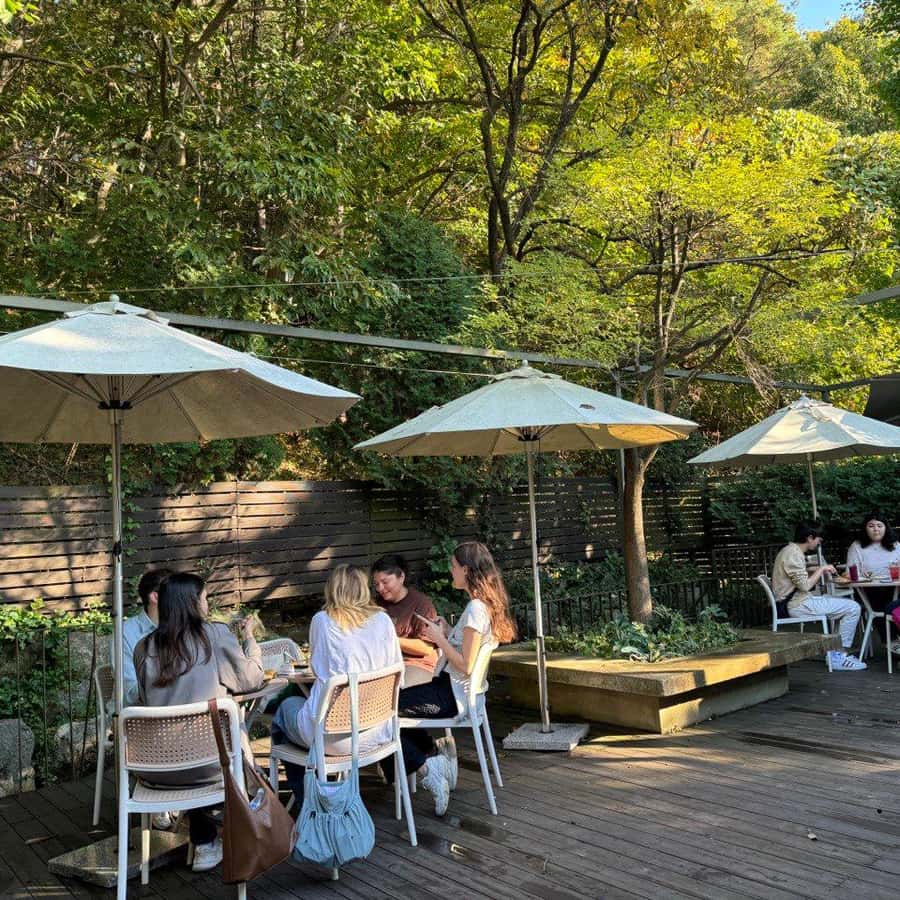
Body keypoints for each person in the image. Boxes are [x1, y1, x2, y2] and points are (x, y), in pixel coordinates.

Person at [133, 572, 264, 872]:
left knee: (190, 742)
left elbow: (145, 698)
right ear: (191, 603)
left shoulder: (143, 648)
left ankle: (205, 841)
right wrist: (250, 640)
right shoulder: (213, 636)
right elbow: (251, 679)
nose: (208, 605)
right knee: (219, 741)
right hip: (208, 766)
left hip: (156, 770)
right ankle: (238, 830)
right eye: (205, 598)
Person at [380, 541, 517, 816]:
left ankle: (430, 768)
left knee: (381, 714)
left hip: (451, 696)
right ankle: (434, 756)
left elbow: (466, 665)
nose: (450, 571)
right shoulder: (480, 606)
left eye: (454, 566)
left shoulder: (476, 608)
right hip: (455, 692)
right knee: (388, 709)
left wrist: (439, 639)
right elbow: (468, 653)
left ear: (466, 570)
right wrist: (448, 630)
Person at [271, 565, 403, 809]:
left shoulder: (323, 621)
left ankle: (309, 806)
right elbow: (398, 673)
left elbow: (319, 669)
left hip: (335, 739)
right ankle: (320, 798)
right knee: (304, 707)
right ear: (363, 589)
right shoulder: (383, 620)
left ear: (332, 589)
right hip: (379, 731)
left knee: (284, 709)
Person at [772, 522, 865, 671]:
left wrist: (813, 569)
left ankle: (835, 652)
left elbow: (795, 576)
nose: (818, 543)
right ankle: (838, 656)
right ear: (810, 538)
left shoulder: (790, 550)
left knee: (844, 605)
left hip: (799, 601)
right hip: (797, 605)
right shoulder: (793, 554)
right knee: (853, 608)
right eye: (818, 540)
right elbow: (805, 586)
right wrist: (821, 569)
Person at [371, 554, 439, 687]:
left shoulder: (422, 604)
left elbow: (426, 648)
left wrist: (391, 640)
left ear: (401, 576)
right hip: (384, 665)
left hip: (416, 664)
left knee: (395, 690)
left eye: (385, 582)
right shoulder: (376, 604)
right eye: (376, 584)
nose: (380, 589)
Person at [115, 568, 173, 707]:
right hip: (140, 714)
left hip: (179, 710)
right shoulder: (125, 633)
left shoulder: (184, 628)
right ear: (155, 597)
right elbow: (129, 694)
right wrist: (173, 683)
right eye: (176, 594)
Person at [846, 513, 900, 613]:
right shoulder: (856, 546)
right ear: (865, 529)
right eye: (871, 526)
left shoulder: (896, 545)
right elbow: (850, 573)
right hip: (868, 589)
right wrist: (861, 576)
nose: (876, 529)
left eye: (879, 526)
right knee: (881, 603)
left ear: (886, 528)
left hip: (895, 587)